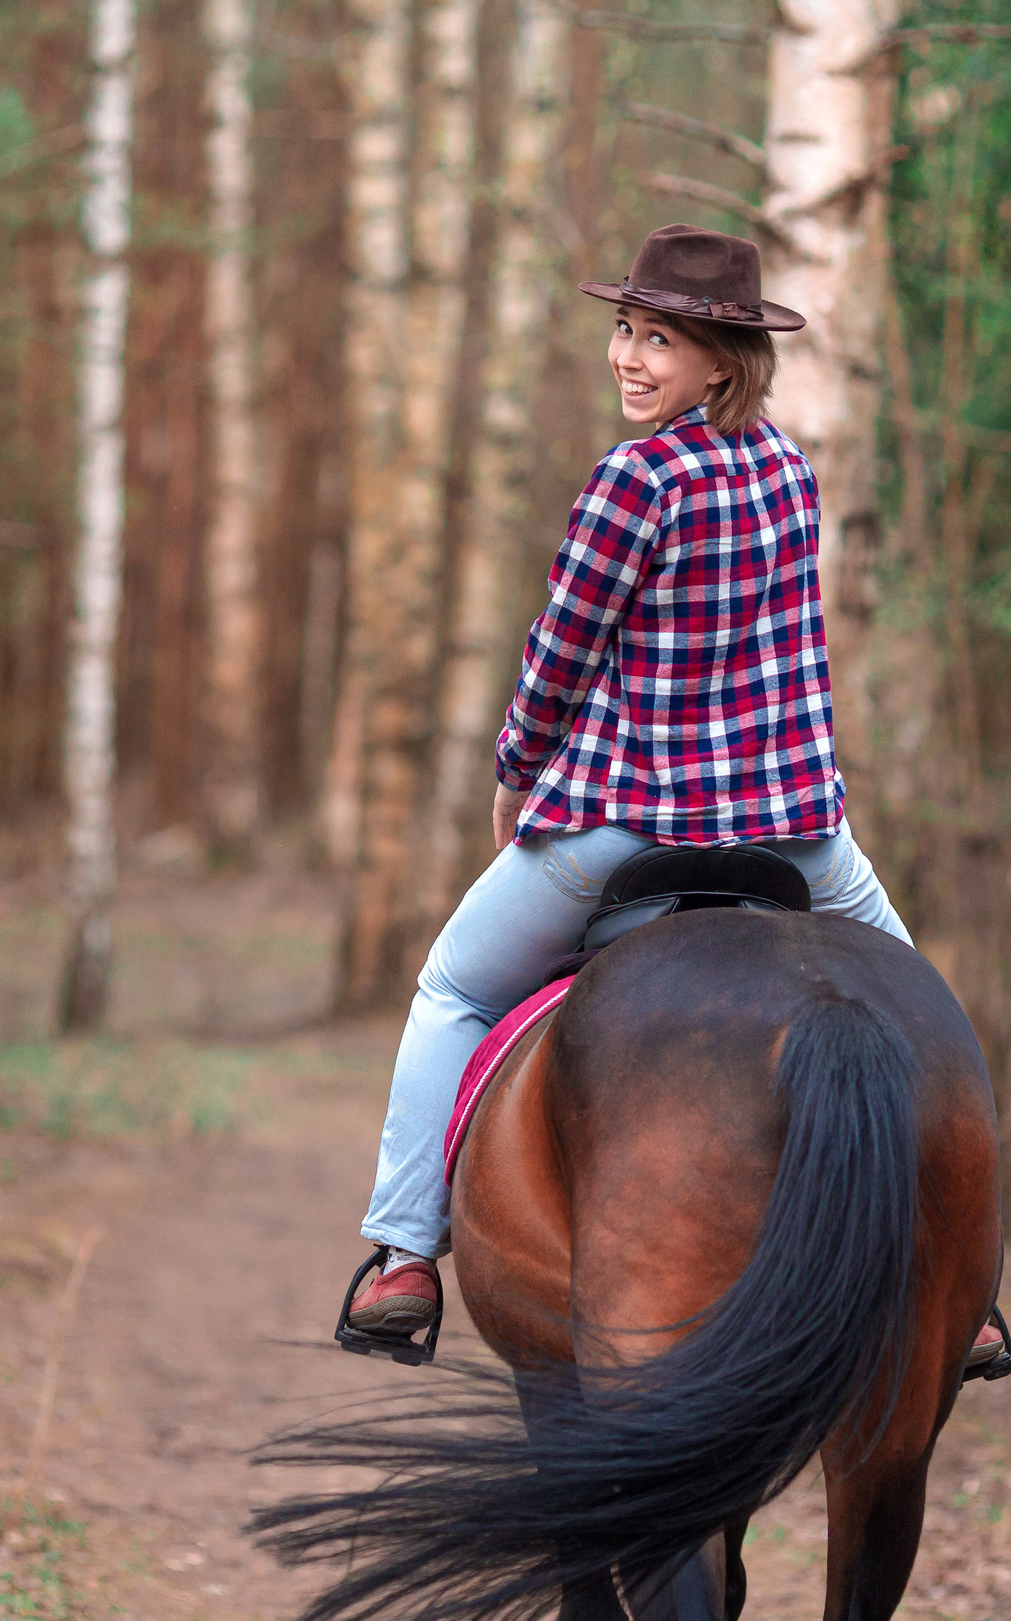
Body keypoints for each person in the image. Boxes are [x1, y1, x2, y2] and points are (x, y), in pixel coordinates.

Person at [345, 222, 915, 1338]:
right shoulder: (791, 471)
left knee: (451, 992)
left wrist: (516, 772)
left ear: (722, 362)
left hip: (627, 823)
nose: (628, 356)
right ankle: (964, 1286)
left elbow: (559, 654)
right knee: (907, 1006)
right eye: (623, 329)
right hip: (793, 831)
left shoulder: (632, 481)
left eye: (660, 338)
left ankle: (404, 1256)